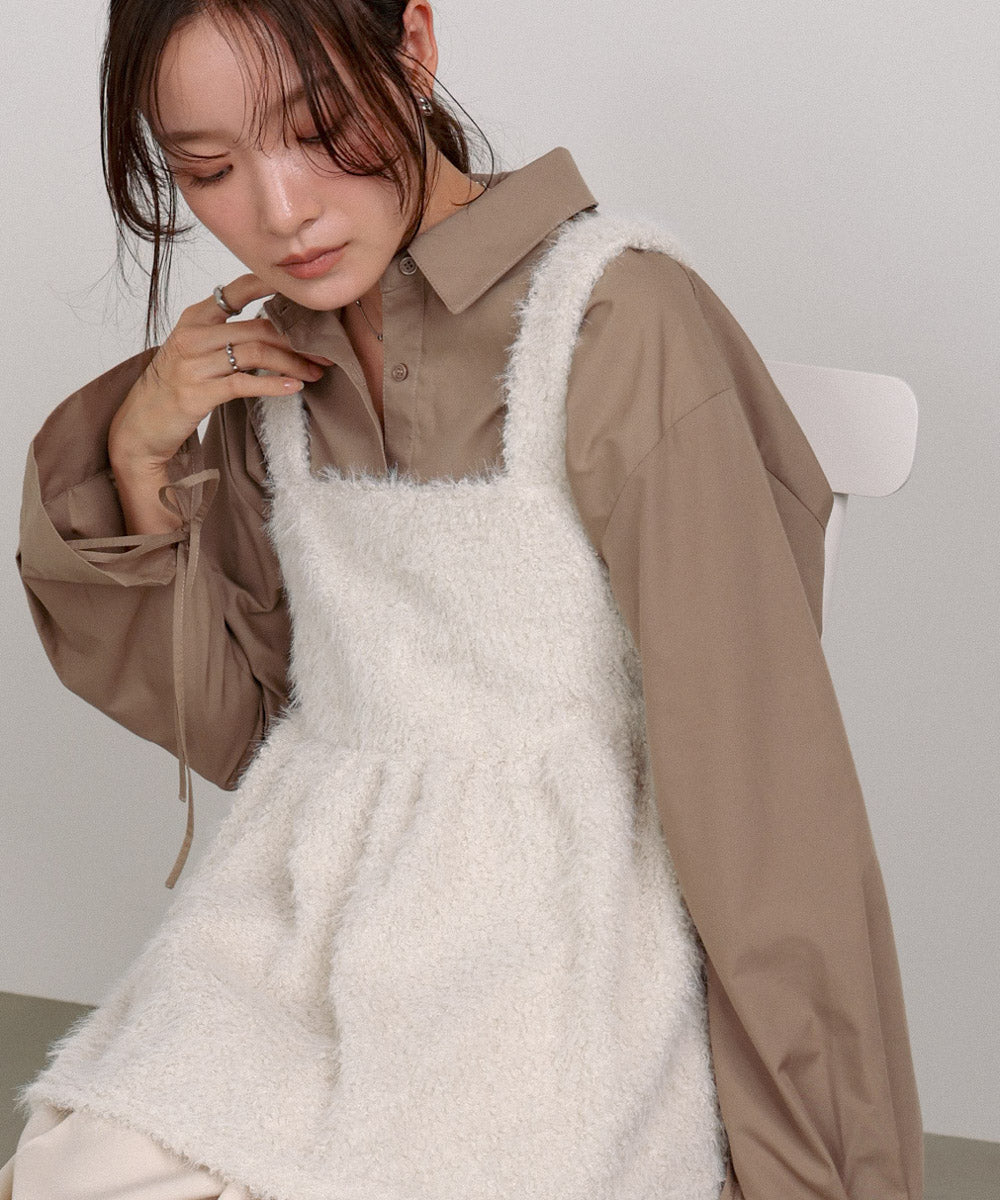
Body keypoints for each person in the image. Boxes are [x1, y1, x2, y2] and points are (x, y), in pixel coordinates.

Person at [3, 1, 924, 1198]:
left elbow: (756, 783)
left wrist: (822, 1168)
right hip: (304, 943)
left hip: (561, 952)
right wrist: (139, 451)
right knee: (73, 1175)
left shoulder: (612, 316)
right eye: (209, 170)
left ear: (414, 48)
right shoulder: (272, 368)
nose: (281, 212)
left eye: (319, 129)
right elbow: (255, 732)